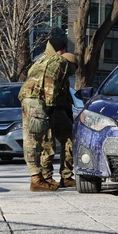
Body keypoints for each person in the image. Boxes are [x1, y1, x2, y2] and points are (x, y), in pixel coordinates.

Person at [18, 35, 78, 191]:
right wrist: (51, 108)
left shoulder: (40, 61)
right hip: (37, 101)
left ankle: (60, 177)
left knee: (65, 135)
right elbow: (50, 83)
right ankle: (37, 178)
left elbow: (62, 95)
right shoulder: (60, 62)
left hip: (40, 102)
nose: (71, 73)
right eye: (73, 70)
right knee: (36, 139)